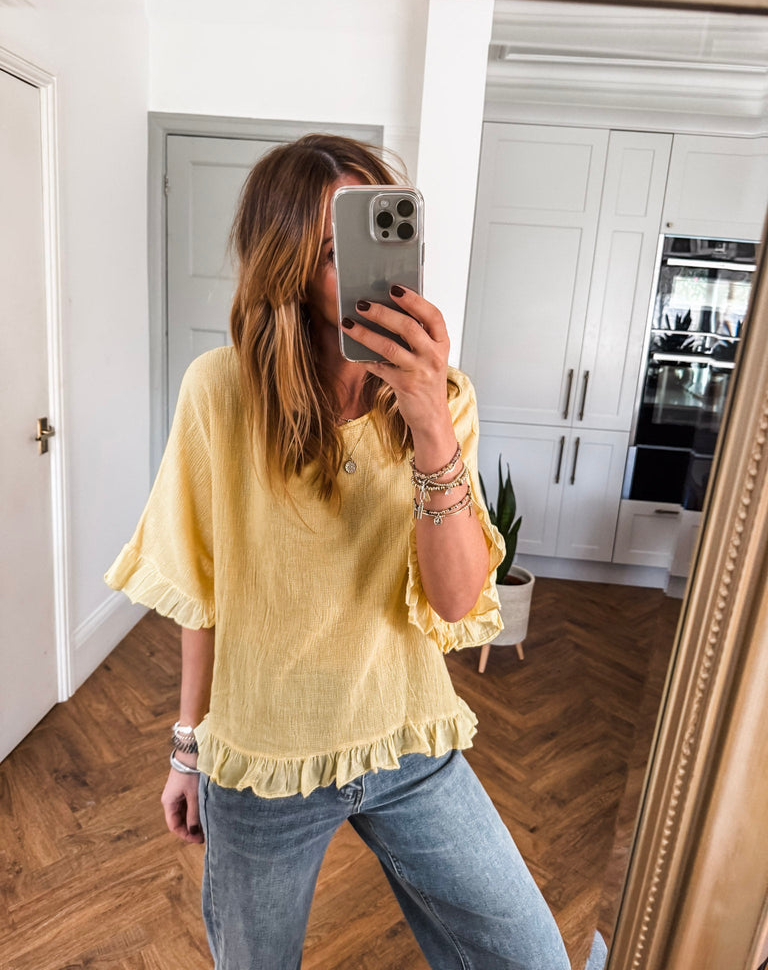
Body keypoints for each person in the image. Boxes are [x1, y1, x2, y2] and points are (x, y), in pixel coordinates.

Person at [106, 134, 605, 970]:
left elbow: (455, 601)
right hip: (263, 759)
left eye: (387, 240)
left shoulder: (442, 400)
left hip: (405, 737)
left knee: (532, 958)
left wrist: (430, 423)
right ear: (289, 268)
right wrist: (187, 751)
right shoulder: (219, 393)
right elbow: (203, 590)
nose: (379, 275)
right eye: (338, 251)